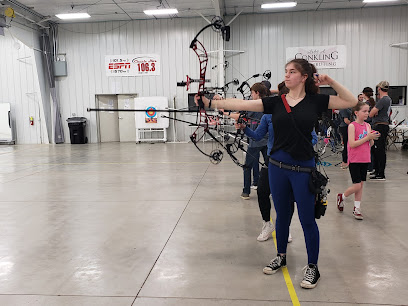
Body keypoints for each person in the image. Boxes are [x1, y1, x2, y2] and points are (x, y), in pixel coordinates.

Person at [196, 58, 357, 289]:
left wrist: (328, 80)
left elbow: (350, 101)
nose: (287, 75)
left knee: (307, 220)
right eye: (286, 71)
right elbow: (242, 105)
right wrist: (210, 103)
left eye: (292, 72)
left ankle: (313, 267)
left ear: (304, 77)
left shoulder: (317, 100)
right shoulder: (276, 102)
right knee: (281, 216)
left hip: (303, 170)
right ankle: (281, 256)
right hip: (277, 169)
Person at [336, 101, 380, 220]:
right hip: (355, 160)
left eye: (368, 111)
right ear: (356, 112)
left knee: (360, 185)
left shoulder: (367, 126)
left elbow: (370, 144)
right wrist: (367, 137)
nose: (367, 113)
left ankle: (357, 208)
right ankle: (342, 197)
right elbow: (352, 144)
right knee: (357, 186)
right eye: (364, 111)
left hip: (365, 159)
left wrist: (372, 138)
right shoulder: (352, 126)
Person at [225, 83, 268, 199]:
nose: (251, 95)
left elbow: (240, 116)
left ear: (257, 93)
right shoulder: (269, 103)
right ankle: (271, 190)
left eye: (252, 93)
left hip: (255, 141)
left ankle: (246, 192)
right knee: (270, 166)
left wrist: (225, 113)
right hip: (268, 141)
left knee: (247, 166)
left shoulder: (254, 105)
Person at [369, 81, 391, 181]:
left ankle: (381, 173)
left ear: (379, 89)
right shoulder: (387, 99)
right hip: (381, 125)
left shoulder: (383, 100)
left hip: (380, 126)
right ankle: (377, 170)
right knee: (376, 149)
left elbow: (371, 113)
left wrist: (374, 110)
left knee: (379, 149)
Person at [362, 87, 376, 172]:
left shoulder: (366, 105)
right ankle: (373, 166)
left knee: (367, 147)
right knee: (372, 147)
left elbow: (366, 117)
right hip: (373, 125)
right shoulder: (373, 103)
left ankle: (369, 166)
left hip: (368, 126)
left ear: (364, 94)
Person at [338, 103, 352, 169]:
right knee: (346, 144)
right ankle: (345, 161)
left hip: (346, 127)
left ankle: (346, 160)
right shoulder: (344, 109)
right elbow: (346, 120)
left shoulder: (348, 108)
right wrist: (355, 125)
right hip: (345, 127)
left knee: (347, 144)